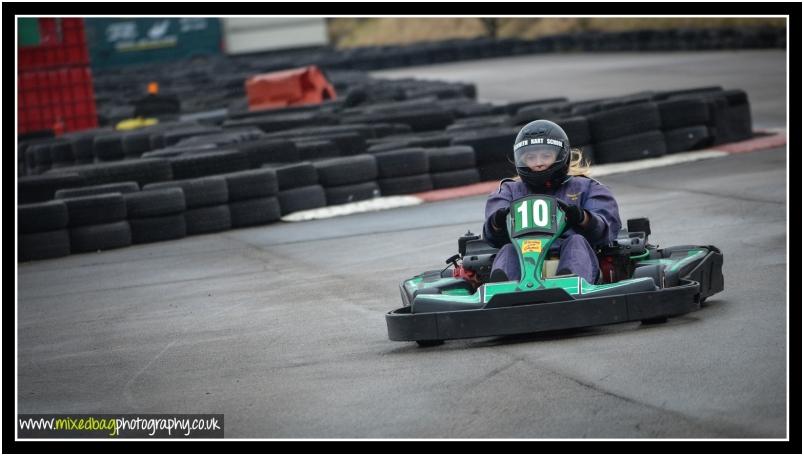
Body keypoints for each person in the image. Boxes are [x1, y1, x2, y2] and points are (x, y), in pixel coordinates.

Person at [483, 119, 621, 284]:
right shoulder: (509, 191)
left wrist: (582, 218)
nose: (539, 163)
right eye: (531, 157)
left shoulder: (587, 187)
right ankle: (503, 289)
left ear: (562, 155)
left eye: (546, 156)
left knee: (575, 241)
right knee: (508, 249)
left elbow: (606, 230)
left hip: (573, 257)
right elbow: (491, 235)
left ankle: (570, 281)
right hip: (523, 258)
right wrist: (498, 221)